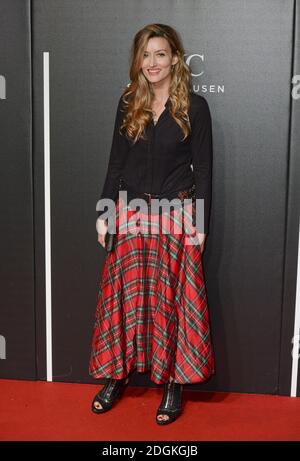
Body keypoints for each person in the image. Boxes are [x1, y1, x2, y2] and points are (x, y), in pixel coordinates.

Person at [89, 23, 215, 425]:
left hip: (176, 216)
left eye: (160, 54)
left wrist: (201, 223)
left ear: (175, 58)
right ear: (137, 61)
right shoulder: (129, 103)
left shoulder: (194, 108)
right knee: (123, 301)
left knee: (170, 302)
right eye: (146, 55)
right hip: (130, 215)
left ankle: (174, 382)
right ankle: (116, 375)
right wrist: (105, 213)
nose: (152, 63)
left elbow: (205, 172)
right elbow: (114, 164)